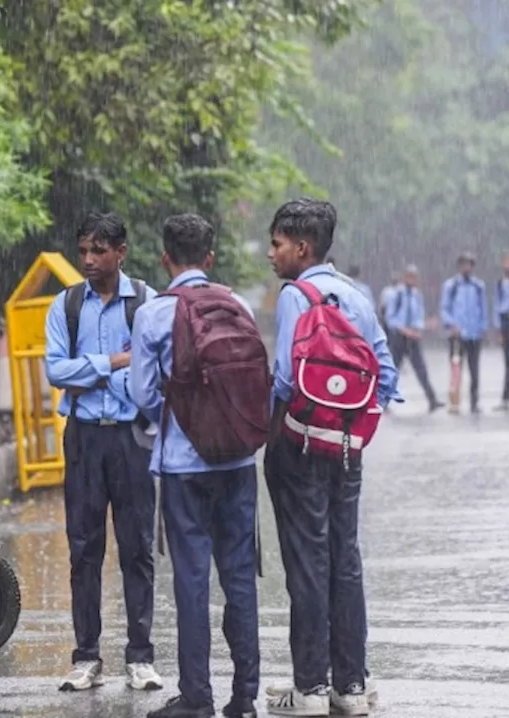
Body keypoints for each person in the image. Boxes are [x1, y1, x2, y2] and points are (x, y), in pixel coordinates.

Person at [264, 198, 399, 717]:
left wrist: (279, 432)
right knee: (346, 561)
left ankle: (311, 688)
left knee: (307, 562)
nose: (271, 255)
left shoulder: (297, 296)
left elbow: (283, 377)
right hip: (347, 450)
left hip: (300, 446)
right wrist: (356, 426)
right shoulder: (357, 297)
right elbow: (385, 374)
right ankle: (351, 684)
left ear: (302, 247)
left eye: (276, 245)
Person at [129, 215, 260, 718]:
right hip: (237, 461)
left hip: (184, 465)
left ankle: (197, 696)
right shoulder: (238, 304)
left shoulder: (154, 313)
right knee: (240, 578)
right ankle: (245, 696)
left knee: (191, 581)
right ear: (210, 258)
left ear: (166, 258)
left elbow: (142, 393)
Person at [45, 212, 161, 693]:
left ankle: (140, 656)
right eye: (84, 251)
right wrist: (113, 362)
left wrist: (87, 371)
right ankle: (86, 656)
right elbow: (56, 371)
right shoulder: (67, 305)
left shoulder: (148, 303)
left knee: (137, 548)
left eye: (99, 251)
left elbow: (154, 368)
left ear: (121, 252)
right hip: (85, 436)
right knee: (83, 547)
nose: (89, 260)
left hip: (133, 436)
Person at [385, 265, 443, 412]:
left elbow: (418, 315)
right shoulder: (396, 294)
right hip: (399, 337)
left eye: (414, 277)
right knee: (392, 371)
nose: (412, 279)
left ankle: (432, 399)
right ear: (405, 277)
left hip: (413, 337)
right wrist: (404, 330)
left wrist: (421, 327)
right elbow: (390, 318)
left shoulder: (417, 294)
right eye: (409, 276)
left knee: (421, 370)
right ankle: (381, 402)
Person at [440, 251, 489, 413]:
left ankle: (474, 402)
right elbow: (444, 308)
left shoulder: (478, 286)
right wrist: (451, 325)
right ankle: (454, 402)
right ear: (459, 266)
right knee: (456, 369)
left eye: (469, 264)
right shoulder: (451, 286)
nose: (466, 267)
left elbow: (483, 309)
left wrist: (483, 329)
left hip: (474, 334)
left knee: (474, 370)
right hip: (457, 335)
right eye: (463, 264)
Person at [378, 273, 405, 369]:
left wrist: (381, 317)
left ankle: (391, 362)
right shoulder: (401, 290)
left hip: (388, 320)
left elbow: (382, 306)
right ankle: (396, 363)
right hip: (398, 322)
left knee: (389, 343)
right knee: (396, 344)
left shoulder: (387, 291)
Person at [497, 253, 509, 411]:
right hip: (506, 322)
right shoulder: (501, 284)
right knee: (508, 363)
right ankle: (506, 397)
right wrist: (499, 331)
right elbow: (497, 307)